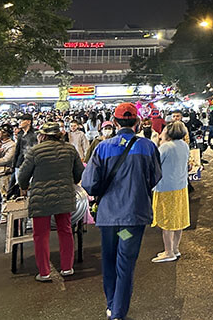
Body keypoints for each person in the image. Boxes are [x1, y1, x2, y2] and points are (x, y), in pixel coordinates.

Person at [81, 103, 162, 320]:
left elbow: (89, 184)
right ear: (137, 122)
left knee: (108, 258)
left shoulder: (102, 148)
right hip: (132, 218)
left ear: (114, 123)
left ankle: (111, 304)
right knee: (125, 262)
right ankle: (118, 311)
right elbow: (155, 177)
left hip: (109, 217)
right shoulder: (147, 147)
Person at [17, 122, 84, 281]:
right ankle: (67, 268)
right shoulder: (70, 149)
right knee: (66, 230)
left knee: (41, 234)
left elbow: (22, 176)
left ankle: (44, 272)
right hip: (64, 195)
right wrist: (70, 182)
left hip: (41, 198)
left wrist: (24, 186)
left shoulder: (35, 151)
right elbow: (79, 173)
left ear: (43, 135)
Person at [151, 121, 191, 263]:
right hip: (181, 187)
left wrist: (156, 143)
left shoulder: (166, 147)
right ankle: (175, 248)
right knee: (178, 220)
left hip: (165, 188)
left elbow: (153, 163)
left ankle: (168, 252)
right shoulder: (184, 145)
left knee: (166, 222)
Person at [12, 113, 38, 184]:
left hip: (29, 164)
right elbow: (17, 151)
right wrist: (14, 164)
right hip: (19, 163)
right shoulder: (20, 134)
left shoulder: (34, 135)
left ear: (29, 122)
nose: (19, 123)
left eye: (22, 121)